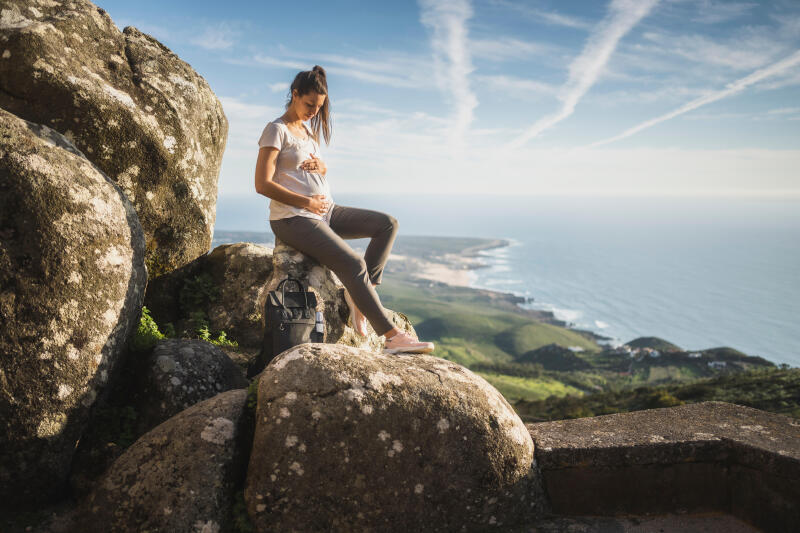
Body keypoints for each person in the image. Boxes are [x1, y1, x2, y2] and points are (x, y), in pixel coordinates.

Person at [254, 65, 434, 354]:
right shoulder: (276, 130)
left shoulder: (308, 132)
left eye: (319, 106)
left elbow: (307, 172)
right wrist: (306, 202)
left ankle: (362, 294)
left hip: (326, 211)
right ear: (295, 94)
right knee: (353, 264)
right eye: (309, 104)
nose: (314, 111)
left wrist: (323, 169)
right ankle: (391, 337)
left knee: (387, 224)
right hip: (293, 218)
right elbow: (262, 184)